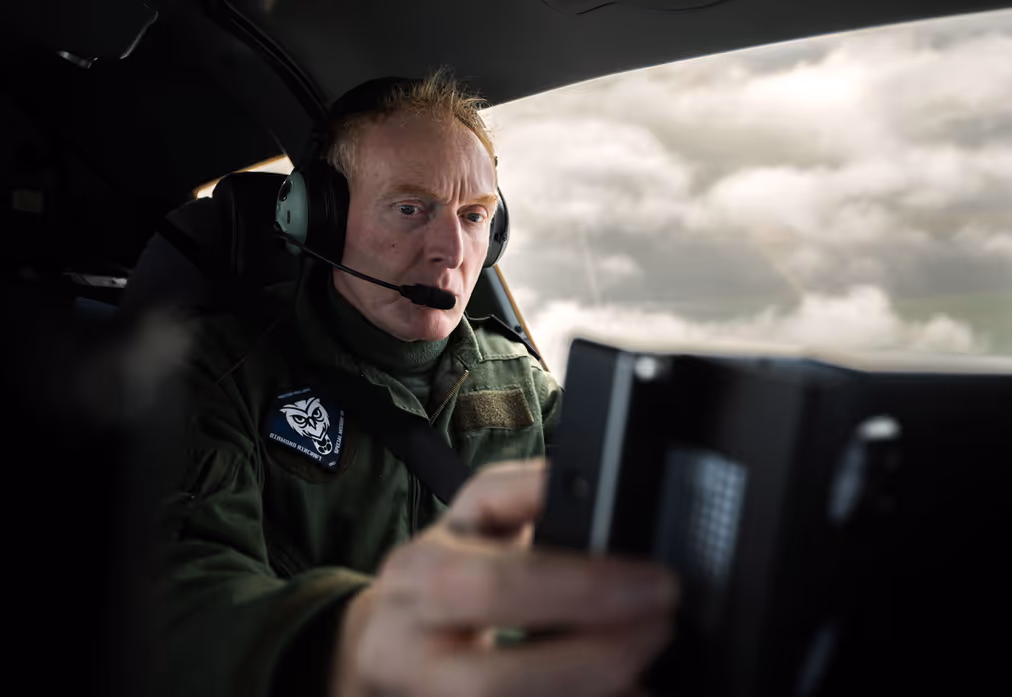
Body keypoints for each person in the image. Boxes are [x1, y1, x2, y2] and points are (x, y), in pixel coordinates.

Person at [156, 71, 678, 697]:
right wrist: (347, 647)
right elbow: (179, 595)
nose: (451, 249)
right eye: (410, 209)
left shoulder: (523, 384)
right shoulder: (221, 373)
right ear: (319, 220)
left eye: (474, 216)